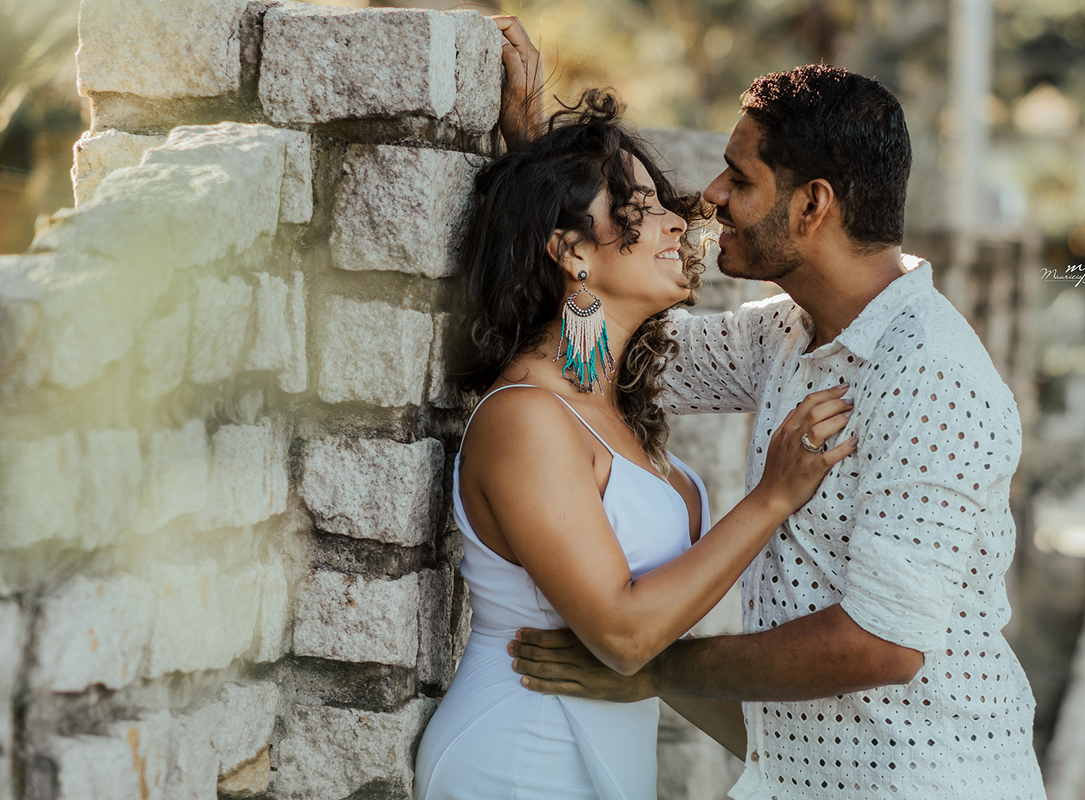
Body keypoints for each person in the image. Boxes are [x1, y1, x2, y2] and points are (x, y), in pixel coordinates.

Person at [502, 38, 1048, 800]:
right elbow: (598, 358)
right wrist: (546, 182)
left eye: (741, 177)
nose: (711, 195)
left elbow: (882, 645)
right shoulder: (785, 333)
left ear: (812, 205)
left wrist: (648, 665)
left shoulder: (932, 376)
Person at [411, 39, 860, 800]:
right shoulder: (526, 420)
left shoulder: (605, 394)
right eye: (640, 210)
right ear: (571, 252)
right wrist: (773, 498)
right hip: (521, 754)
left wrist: (542, 163)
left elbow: (576, 307)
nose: (676, 224)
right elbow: (623, 636)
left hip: (600, 749)